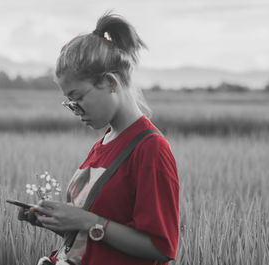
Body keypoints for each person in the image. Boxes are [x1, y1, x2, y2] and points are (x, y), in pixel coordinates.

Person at [18, 12, 179, 265]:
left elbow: (161, 247)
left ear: (110, 83)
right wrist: (59, 221)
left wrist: (85, 220)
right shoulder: (102, 144)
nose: (75, 109)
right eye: (69, 102)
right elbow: (98, 236)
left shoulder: (150, 149)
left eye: (78, 97)